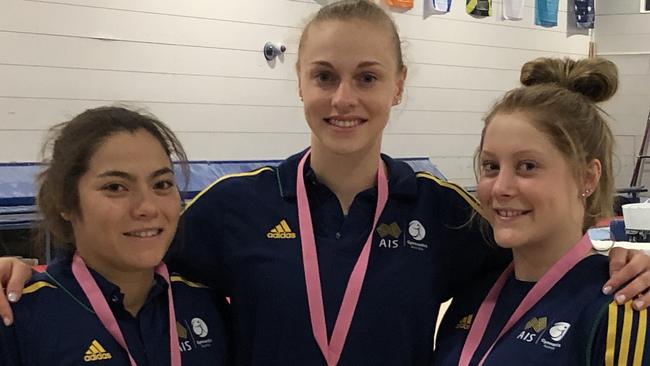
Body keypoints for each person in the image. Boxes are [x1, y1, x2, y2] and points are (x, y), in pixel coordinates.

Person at [1, 1, 650, 365]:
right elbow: (122, 255)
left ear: (397, 85)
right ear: (301, 83)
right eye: (324, 76)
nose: (345, 98)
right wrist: (32, 273)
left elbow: (537, 265)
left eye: (367, 77)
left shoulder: (445, 213)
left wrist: (617, 262)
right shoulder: (234, 207)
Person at [433, 58, 649, 365]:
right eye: (491, 166)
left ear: (586, 177)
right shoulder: (473, 295)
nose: (500, 187)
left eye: (527, 166)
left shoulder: (620, 305)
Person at [0, 107, 231, 365]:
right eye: (115, 187)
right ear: (65, 201)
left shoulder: (203, 303)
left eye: (161, 184)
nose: (147, 207)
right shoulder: (19, 315)